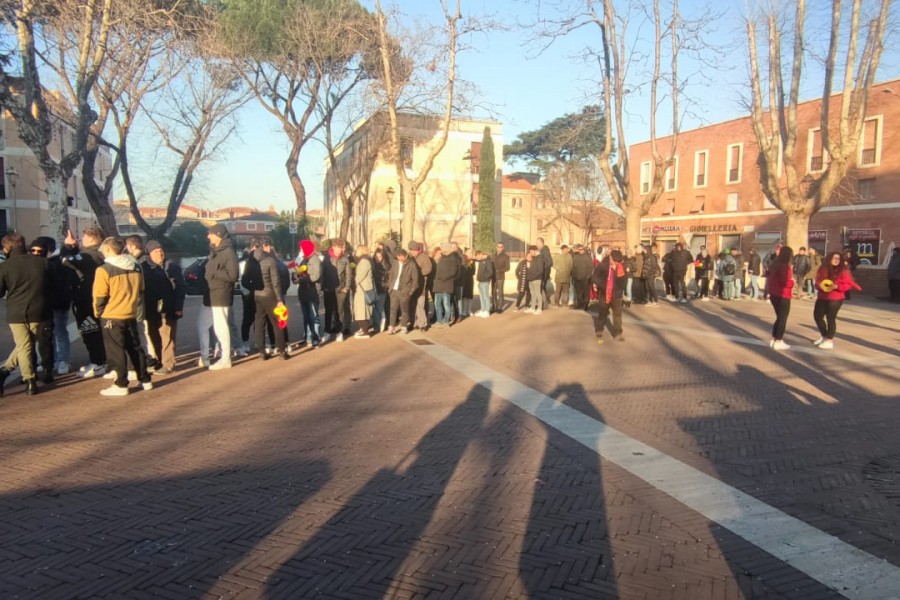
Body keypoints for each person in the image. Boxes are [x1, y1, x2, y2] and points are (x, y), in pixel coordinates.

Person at [93, 237, 152, 396]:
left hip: (112, 314)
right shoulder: (136, 266)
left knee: (116, 350)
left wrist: (99, 311)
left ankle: (121, 384)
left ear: (108, 250)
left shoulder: (104, 270)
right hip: (131, 312)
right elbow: (141, 289)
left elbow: (99, 295)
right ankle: (145, 379)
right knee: (135, 347)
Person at [0, 233, 50, 396]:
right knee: (27, 344)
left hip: (16, 311)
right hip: (39, 309)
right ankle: (25, 378)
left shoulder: (5, 266)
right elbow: (51, 285)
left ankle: (26, 378)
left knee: (24, 345)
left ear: (7, 248)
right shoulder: (42, 262)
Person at [61, 227, 107, 378]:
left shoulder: (90, 255)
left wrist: (67, 246)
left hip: (87, 300)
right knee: (94, 331)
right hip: (92, 298)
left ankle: (98, 362)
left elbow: (66, 261)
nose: (81, 239)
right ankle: (101, 360)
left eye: (84, 237)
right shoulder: (98, 254)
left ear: (93, 239)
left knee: (90, 330)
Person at [142, 241, 185, 375]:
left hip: (169, 308)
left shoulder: (172, 267)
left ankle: (168, 364)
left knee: (167, 336)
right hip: (150, 309)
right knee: (153, 335)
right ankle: (159, 361)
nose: (160, 254)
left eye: (161, 251)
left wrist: (178, 307)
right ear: (149, 253)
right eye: (156, 251)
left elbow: (180, 288)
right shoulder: (143, 267)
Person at [204, 224, 239, 369]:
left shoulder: (228, 252)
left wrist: (214, 273)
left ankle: (226, 358)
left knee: (222, 325)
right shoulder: (216, 251)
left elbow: (233, 275)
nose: (208, 236)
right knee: (218, 326)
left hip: (222, 292)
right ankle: (224, 356)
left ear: (219, 234)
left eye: (211, 234)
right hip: (215, 291)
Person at [812, 251, 861, 349]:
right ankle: (824, 336)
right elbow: (817, 282)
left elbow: (848, 285)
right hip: (822, 296)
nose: (836, 260)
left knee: (830, 318)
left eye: (838, 258)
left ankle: (829, 340)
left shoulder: (843, 270)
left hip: (835, 298)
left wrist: (836, 286)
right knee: (817, 316)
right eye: (834, 258)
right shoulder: (823, 269)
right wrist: (820, 286)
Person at [252, 237, 288, 360]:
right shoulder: (270, 261)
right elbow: (276, 282)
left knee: (259, 323)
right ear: (265, 247)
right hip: (270, 294)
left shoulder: (251, 261)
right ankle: (282, 351)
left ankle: (262, 352)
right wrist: (279, 299)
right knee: (278, 323)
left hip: (257, 295)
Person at [591, 249, 626, 344]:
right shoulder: (602, 266)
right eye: (615, 261)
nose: (616, 263)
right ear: (610, 258)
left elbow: (623, 281)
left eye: (618, 261)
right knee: (603, 312)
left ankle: (618, 333)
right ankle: (599, 329)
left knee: (617, 314)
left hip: (617, 295)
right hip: (604, 293)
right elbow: (594, 278)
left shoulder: (621, 267)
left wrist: (621, 290)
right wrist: (604, 286)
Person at [293, 239, 322, 346]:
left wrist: (300, 280)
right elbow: (299, 272)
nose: (301, 250)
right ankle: (308, 337)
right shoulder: (303, 259)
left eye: (302, 248)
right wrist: (295, 277)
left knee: (313, 316)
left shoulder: (315, 260)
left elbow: (315, 276)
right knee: (306, 316)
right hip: (303, 292)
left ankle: (316, 338)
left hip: (312, 292)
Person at [767, 245, 794, 350]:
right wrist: (792, 282)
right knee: (782, 319)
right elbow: (785, 282)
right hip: (783, 295)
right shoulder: (784, 266)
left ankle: (774, 338)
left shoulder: (774, 264)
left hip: (774, 294)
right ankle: (779, 340)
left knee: (779, 318)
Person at [387, 249, 417, 334]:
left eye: (400, 256)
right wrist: (390, 287)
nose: (398, 258)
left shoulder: (411, 264)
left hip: (405, 291)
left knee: (404, 310)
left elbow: (415, 279)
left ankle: (404, 326)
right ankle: (391, 327)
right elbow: (391, 275)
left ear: (405, 256)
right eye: (397, 256)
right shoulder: (395, 263)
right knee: (393, 309)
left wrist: (411, 291)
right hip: (394, 290)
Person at [352, 244, 375, 338]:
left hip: (363, 290)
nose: (355, 252)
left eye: (357, 250)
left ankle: (365, 331)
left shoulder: (364, 261)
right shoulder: (365, 260)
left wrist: (353, 279)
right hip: (363, 289)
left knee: (362, 310)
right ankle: (363, 329)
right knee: (361, 310)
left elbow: (359, 276)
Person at [433, 244, 458, 326]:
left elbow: (454, 271)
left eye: (442, 248)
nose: (441, 250)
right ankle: (439, 320)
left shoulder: (452, 258)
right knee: (437, 304)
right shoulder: (441, 258)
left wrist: (443, 277)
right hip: (438, 284)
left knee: (446, 304)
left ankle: (446, 321)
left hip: (446, 284)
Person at [371, 247, 390, 333]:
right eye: (376, 256)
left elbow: (388, 278)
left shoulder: (386, 265)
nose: (377, 258)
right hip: (374, 289)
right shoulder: (372, 264)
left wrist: (385, 286)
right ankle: (377, 324)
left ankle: (377, 325)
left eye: (379, 257)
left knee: (379, 307)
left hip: (382, 289)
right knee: (375, 308)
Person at [571, 244, 594, 310]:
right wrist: (574, 276)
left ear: (584, 250)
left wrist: (588, 276)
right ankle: (580, 304)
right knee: (579, 292)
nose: (580, 251)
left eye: (581, 249)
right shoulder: (576, 257)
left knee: (586, 292)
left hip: (585, 278)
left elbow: (591, 267)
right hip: (577, 278)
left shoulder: (587, 257)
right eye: (579, 249)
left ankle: (586, 304)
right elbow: (573, 267)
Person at [474, 249, 494, 317]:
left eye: (477, 256)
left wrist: (484, 278)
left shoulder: (487, 261)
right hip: (480, 281)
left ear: (480, 254)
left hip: (485, 281)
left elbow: (490, 272)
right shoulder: (481, 261)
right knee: (481, 297)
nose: (477, 258)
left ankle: (487, 311)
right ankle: (483, 310)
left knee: (486, 296)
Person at [491, 241, 510, 313]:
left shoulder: (506, 256)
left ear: (503, 248)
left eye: (501, 247)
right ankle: (494, 306)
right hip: (493, 277)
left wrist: (499, 270)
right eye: (498, 247)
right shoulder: (493, 256)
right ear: (496, 247)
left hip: (500, 277)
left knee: (500, 293)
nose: (499, 248)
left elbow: (508, 268)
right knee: (493, 292)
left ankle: (500, 307)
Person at [525, 245, 544, 314]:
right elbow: (530, 268)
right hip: (531, 279)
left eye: (531, 251)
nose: (530, 253)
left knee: (538, 293)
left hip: (537, 279)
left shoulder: (539, 258)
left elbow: (540, 270)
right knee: (532, 294)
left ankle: (539, 308)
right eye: (529, 251)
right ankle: (532, 308)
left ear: (535, 251)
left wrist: (533, 277)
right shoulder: (534, 258)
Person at [537, 237, 552, 307]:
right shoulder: (543, 250)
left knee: (541, 287)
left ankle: (544, 303)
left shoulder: (544, 250)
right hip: (543, 273)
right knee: (542, 287)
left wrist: (542, 269)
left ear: (541, 243)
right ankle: (545, 301)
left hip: (544, 273)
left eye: (537, 243)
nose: (536, 244)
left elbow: (549, 262)